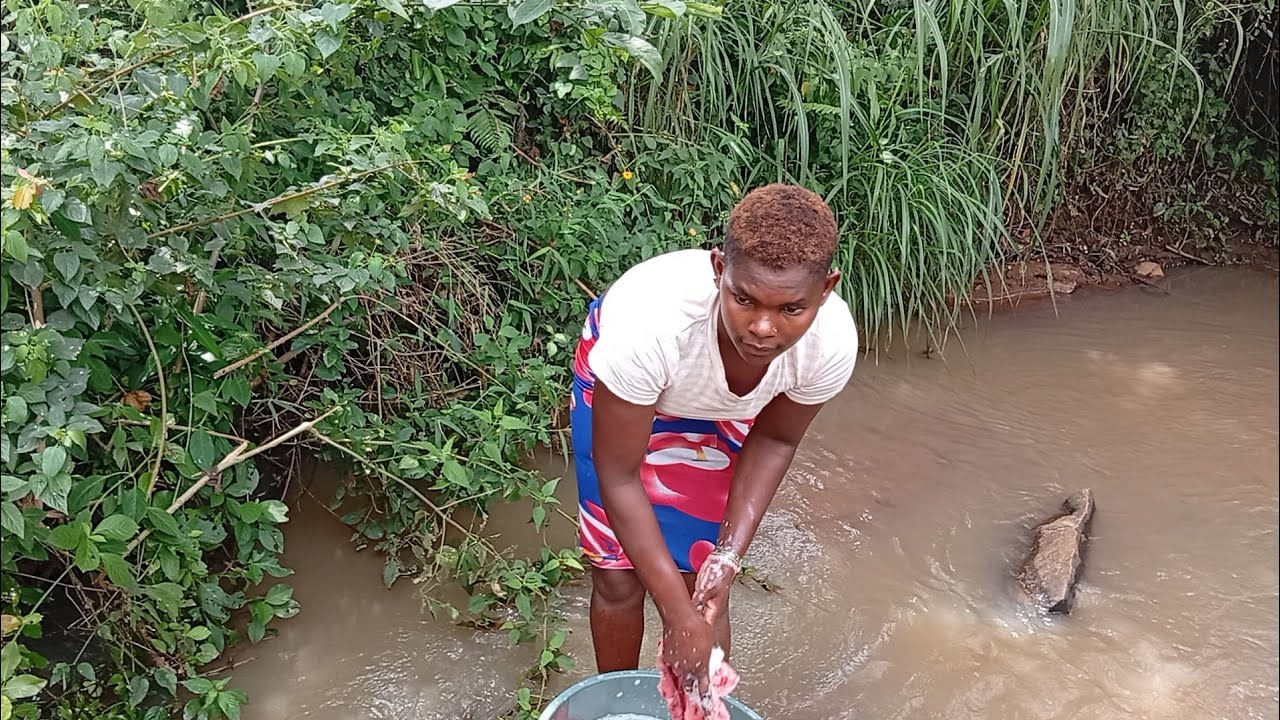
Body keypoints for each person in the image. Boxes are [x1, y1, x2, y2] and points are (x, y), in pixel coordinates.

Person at [568, 183, 859, 698]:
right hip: (634, 393)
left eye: (791, 309)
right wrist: (676, 620)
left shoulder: (828, 346)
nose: (763, 328)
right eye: (744, 299)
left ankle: (699, 708)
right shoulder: (650, 331)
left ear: (827, 288)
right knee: (617, 577)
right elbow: (619, 473)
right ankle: (614, 704)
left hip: (728, 409)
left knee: (702, 578)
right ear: (720, 270)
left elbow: (774, 441)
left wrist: (727, 560)